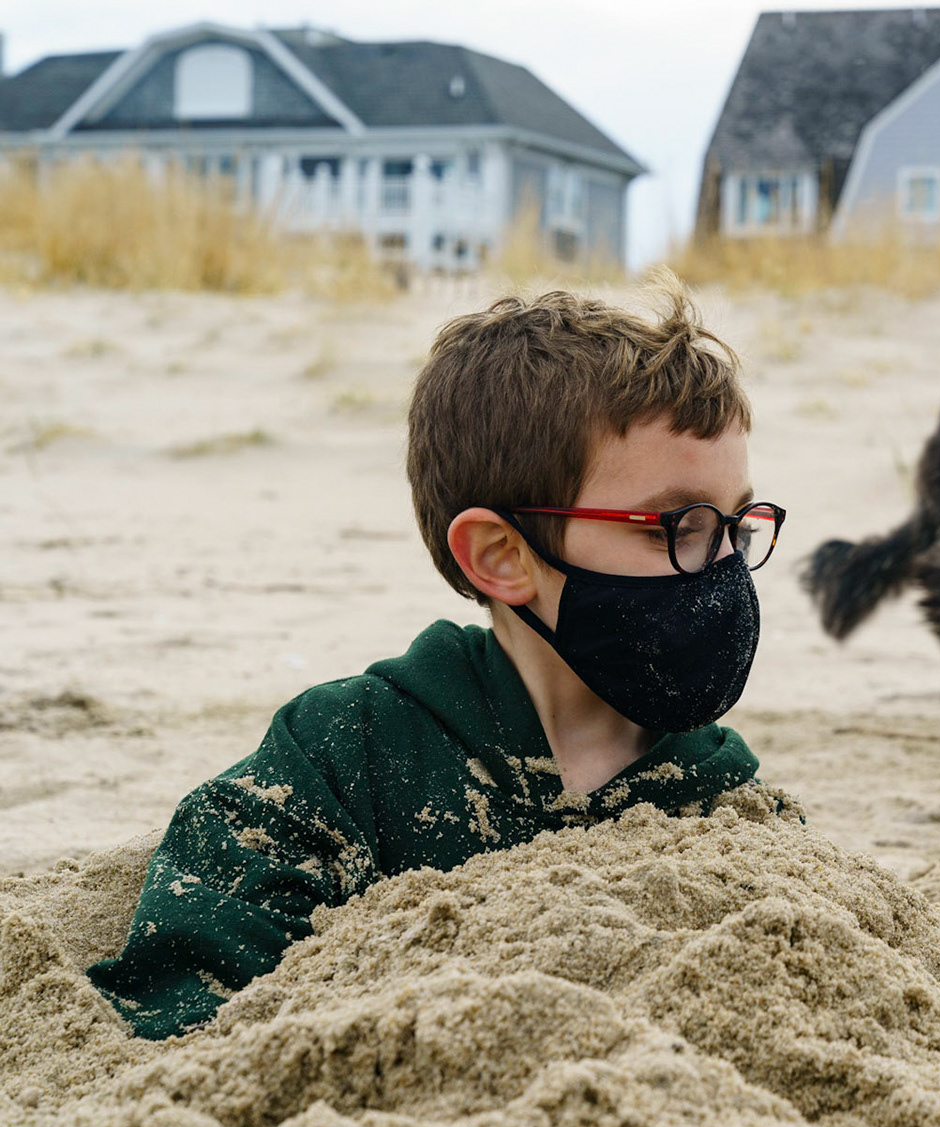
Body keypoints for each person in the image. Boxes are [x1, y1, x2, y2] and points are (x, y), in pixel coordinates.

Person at [89, 276, 785, 1040]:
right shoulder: (348, 751)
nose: (720, 567)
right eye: (673, 526)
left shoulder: (727, 799)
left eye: (739, 527)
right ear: (502, 556)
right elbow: (184, 988)